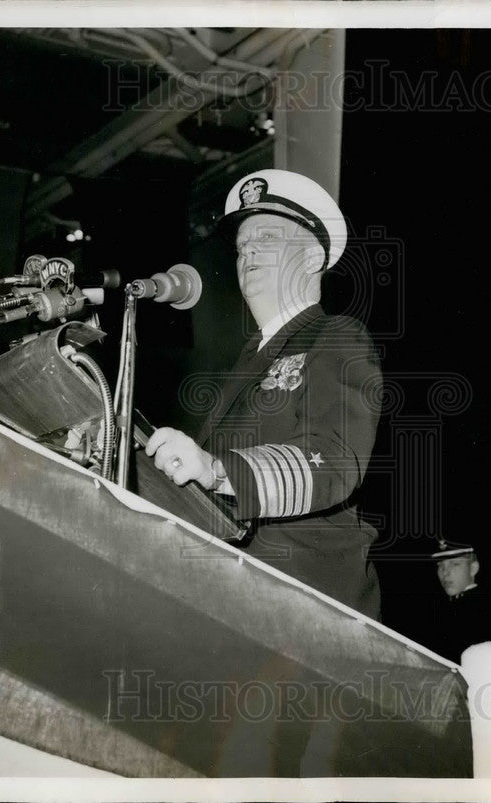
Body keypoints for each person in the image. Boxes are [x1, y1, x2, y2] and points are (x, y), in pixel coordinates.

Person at [145, 169, 382, 619]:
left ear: (313, 258)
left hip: (306, 605)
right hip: (230, 598)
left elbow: (334, 461)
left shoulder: (335, 337)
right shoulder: (248, 359)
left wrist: (216, 470)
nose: (248, 250)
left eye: (267, 237)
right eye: (241, 246)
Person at [431, 538, 491, 662]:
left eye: (454, 564)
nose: (445, 573)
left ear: (473, 568)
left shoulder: (490, 609)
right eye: (440, 565)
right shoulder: (441, 608)